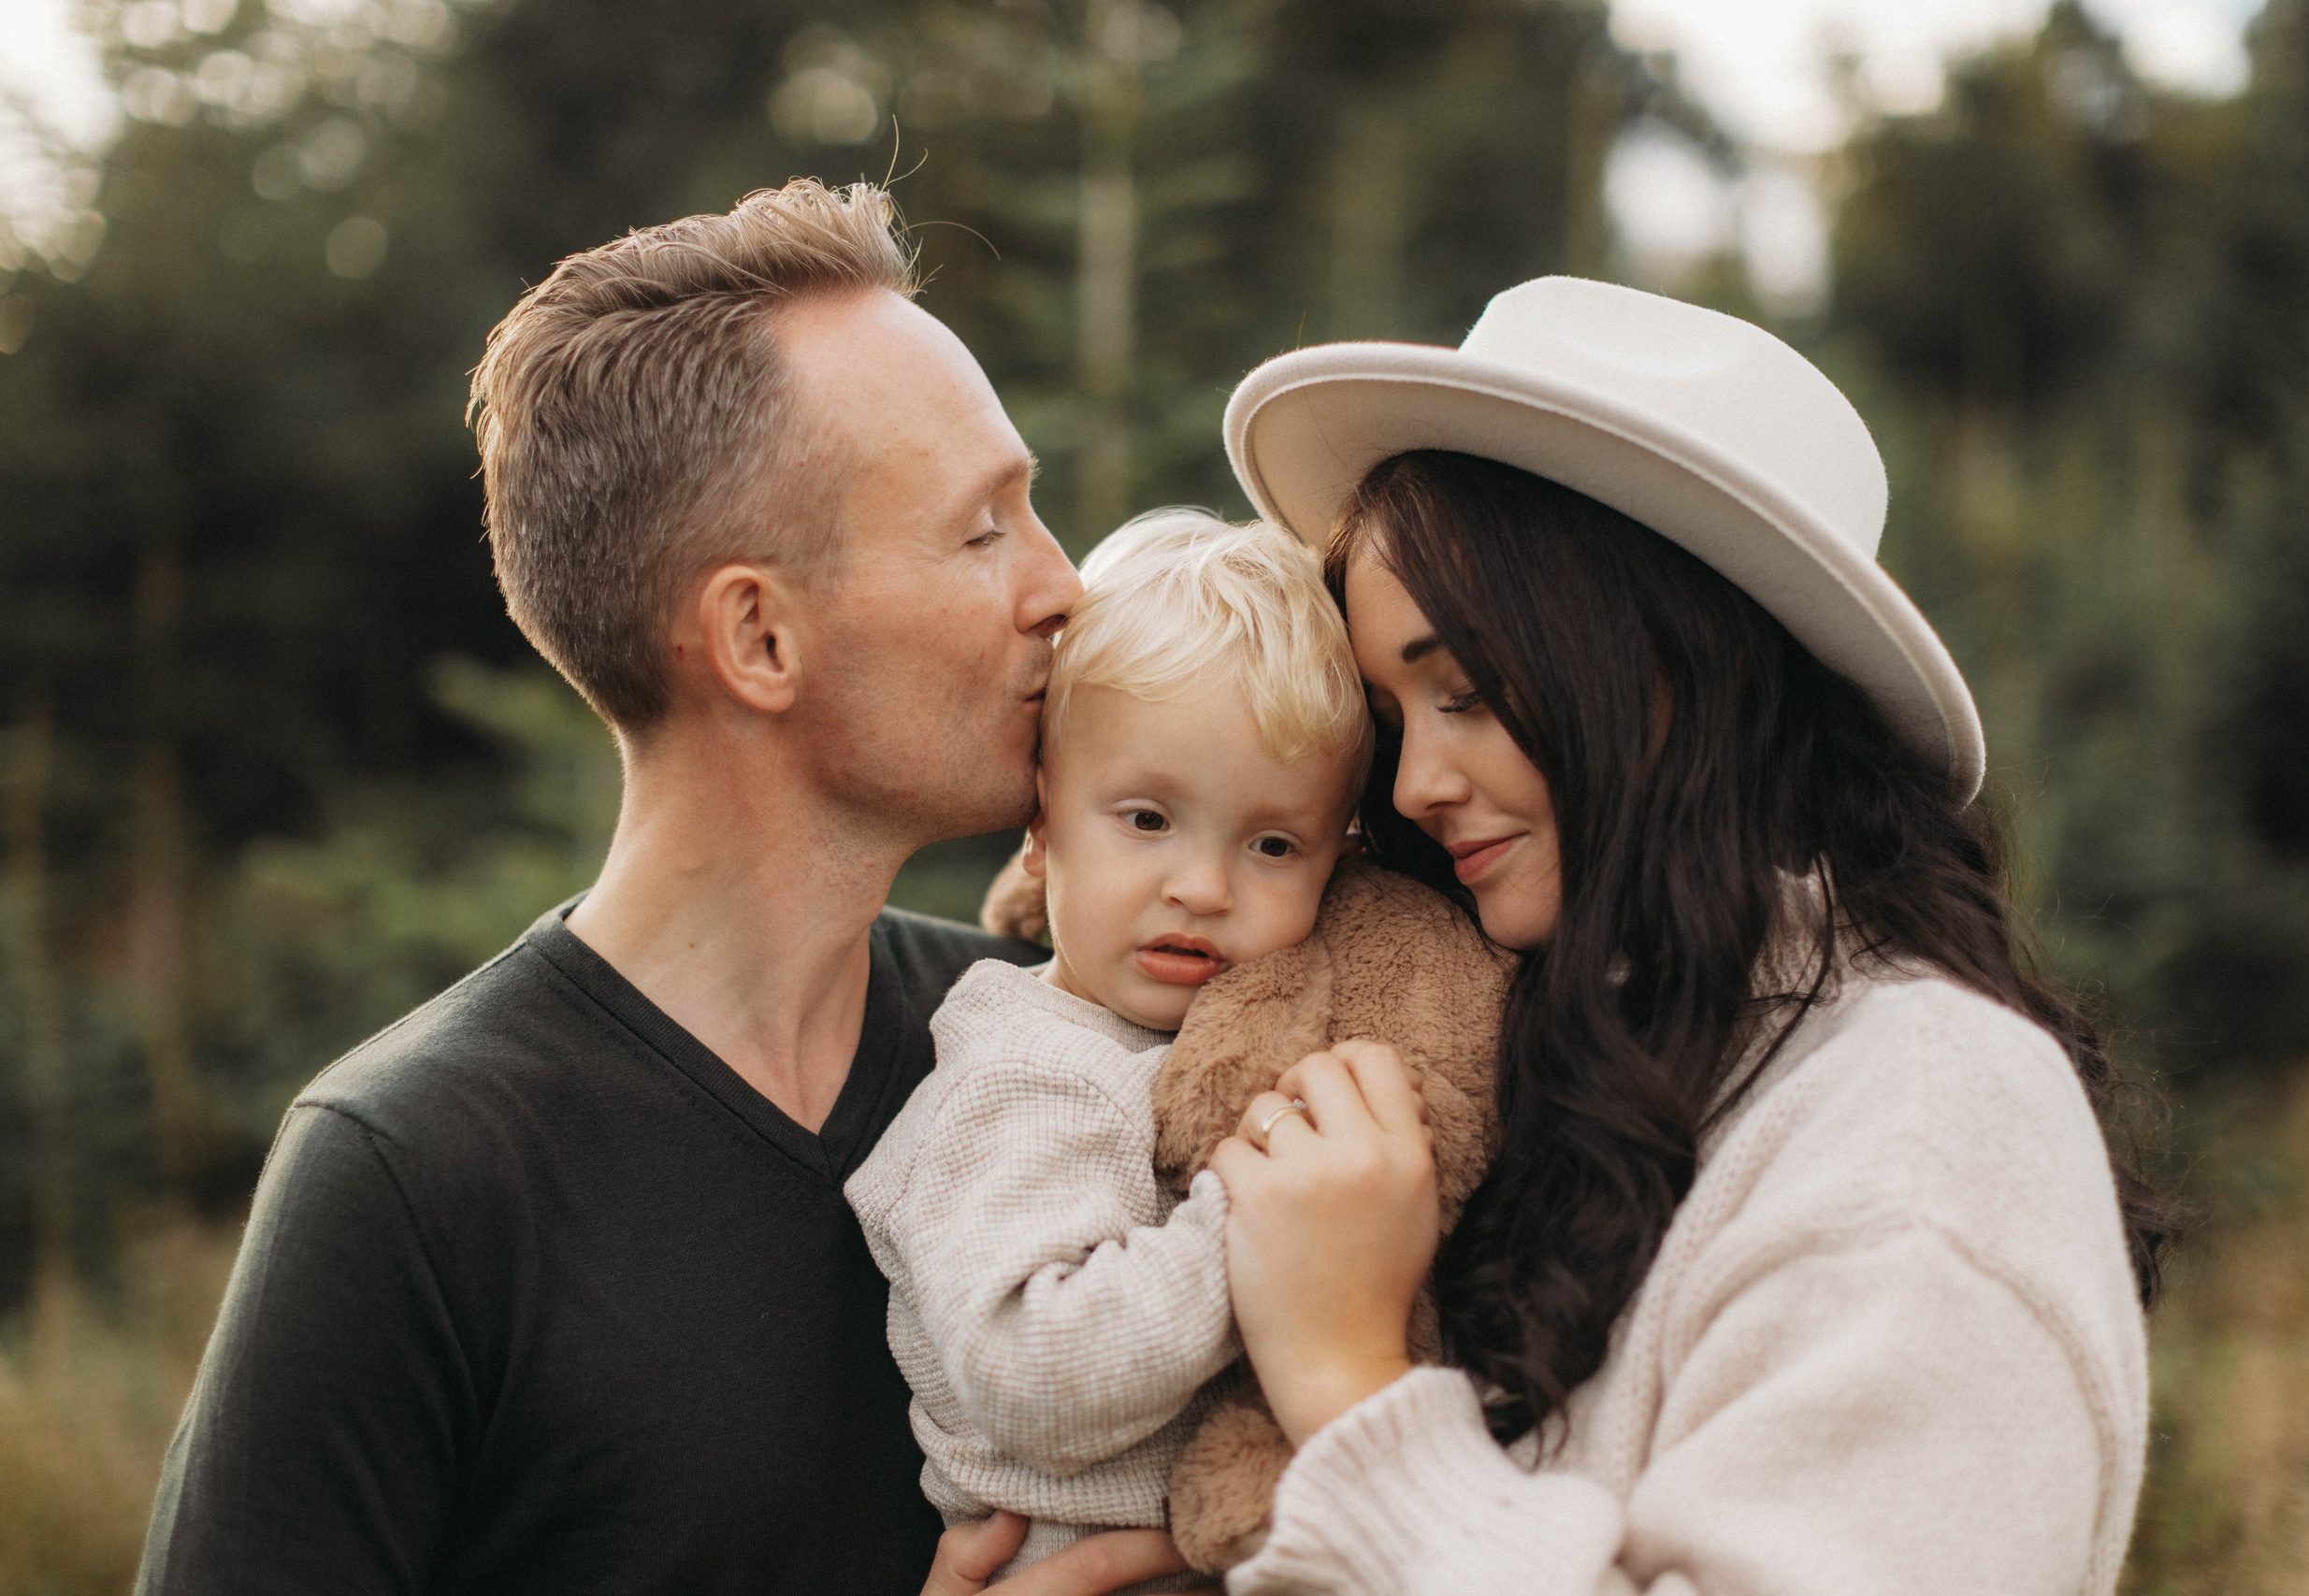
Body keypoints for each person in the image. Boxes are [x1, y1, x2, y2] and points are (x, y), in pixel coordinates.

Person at [137, 180, 1192, 1596]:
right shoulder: (414, 1179)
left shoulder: (1063, 1044)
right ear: (757, 635)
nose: (1062, 587)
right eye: (984, 528)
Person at [1200, 278, 2173, 1594]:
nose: (1418, 780)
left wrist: (1349, 1381)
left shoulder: (1926, 1122)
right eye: (1394, 714)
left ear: (1672, 672)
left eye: (1468, 691)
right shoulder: (1579, 1057)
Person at [847, 510, 1369, 1588]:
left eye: (1272, 844)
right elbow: (1034, 1373)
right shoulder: (1022, 1076)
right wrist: (1266, 1211)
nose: (1204, 886)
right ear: (1041, 829)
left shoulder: (1215, 1034)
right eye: (1145, 819)